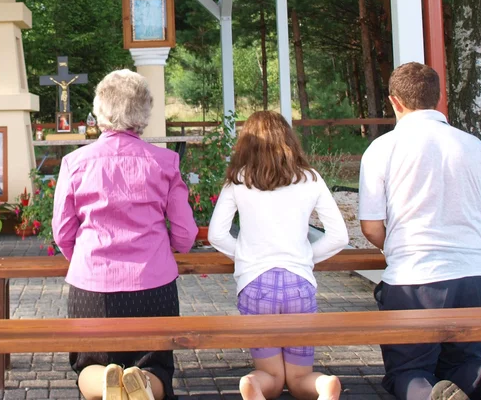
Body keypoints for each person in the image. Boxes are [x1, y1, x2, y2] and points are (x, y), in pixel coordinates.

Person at [359, 62, 481, 400]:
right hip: (475, 278)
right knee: (460, 364)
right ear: (438, 98)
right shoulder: (474, 146)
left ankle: (429, 397)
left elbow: (370, 226)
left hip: (414, 280)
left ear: (395, 101)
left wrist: (395, 246)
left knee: (409, 371)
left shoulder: (382, 149)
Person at [53, 69, 198, 400]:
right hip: (152, 285)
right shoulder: (165, 161)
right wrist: (170, 247)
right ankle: (141, 386)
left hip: (92, 288)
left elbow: (62, 232)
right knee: (155, 367)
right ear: (143, 113)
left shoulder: (75, 163)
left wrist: (84, 260)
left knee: (88, 364)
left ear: (100, 110)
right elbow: (186, 234)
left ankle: (106, 386)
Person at [207, 111, 349, 400]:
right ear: (289, 140)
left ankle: (253, 386)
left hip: (256, 286)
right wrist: (306, 257)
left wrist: (246, 257)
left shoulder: (239, 179)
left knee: (271, 375)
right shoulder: (310, 179)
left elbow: (216, 235)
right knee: (299, 379)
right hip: (299, 283)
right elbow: (339, 237)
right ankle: (324, 386)